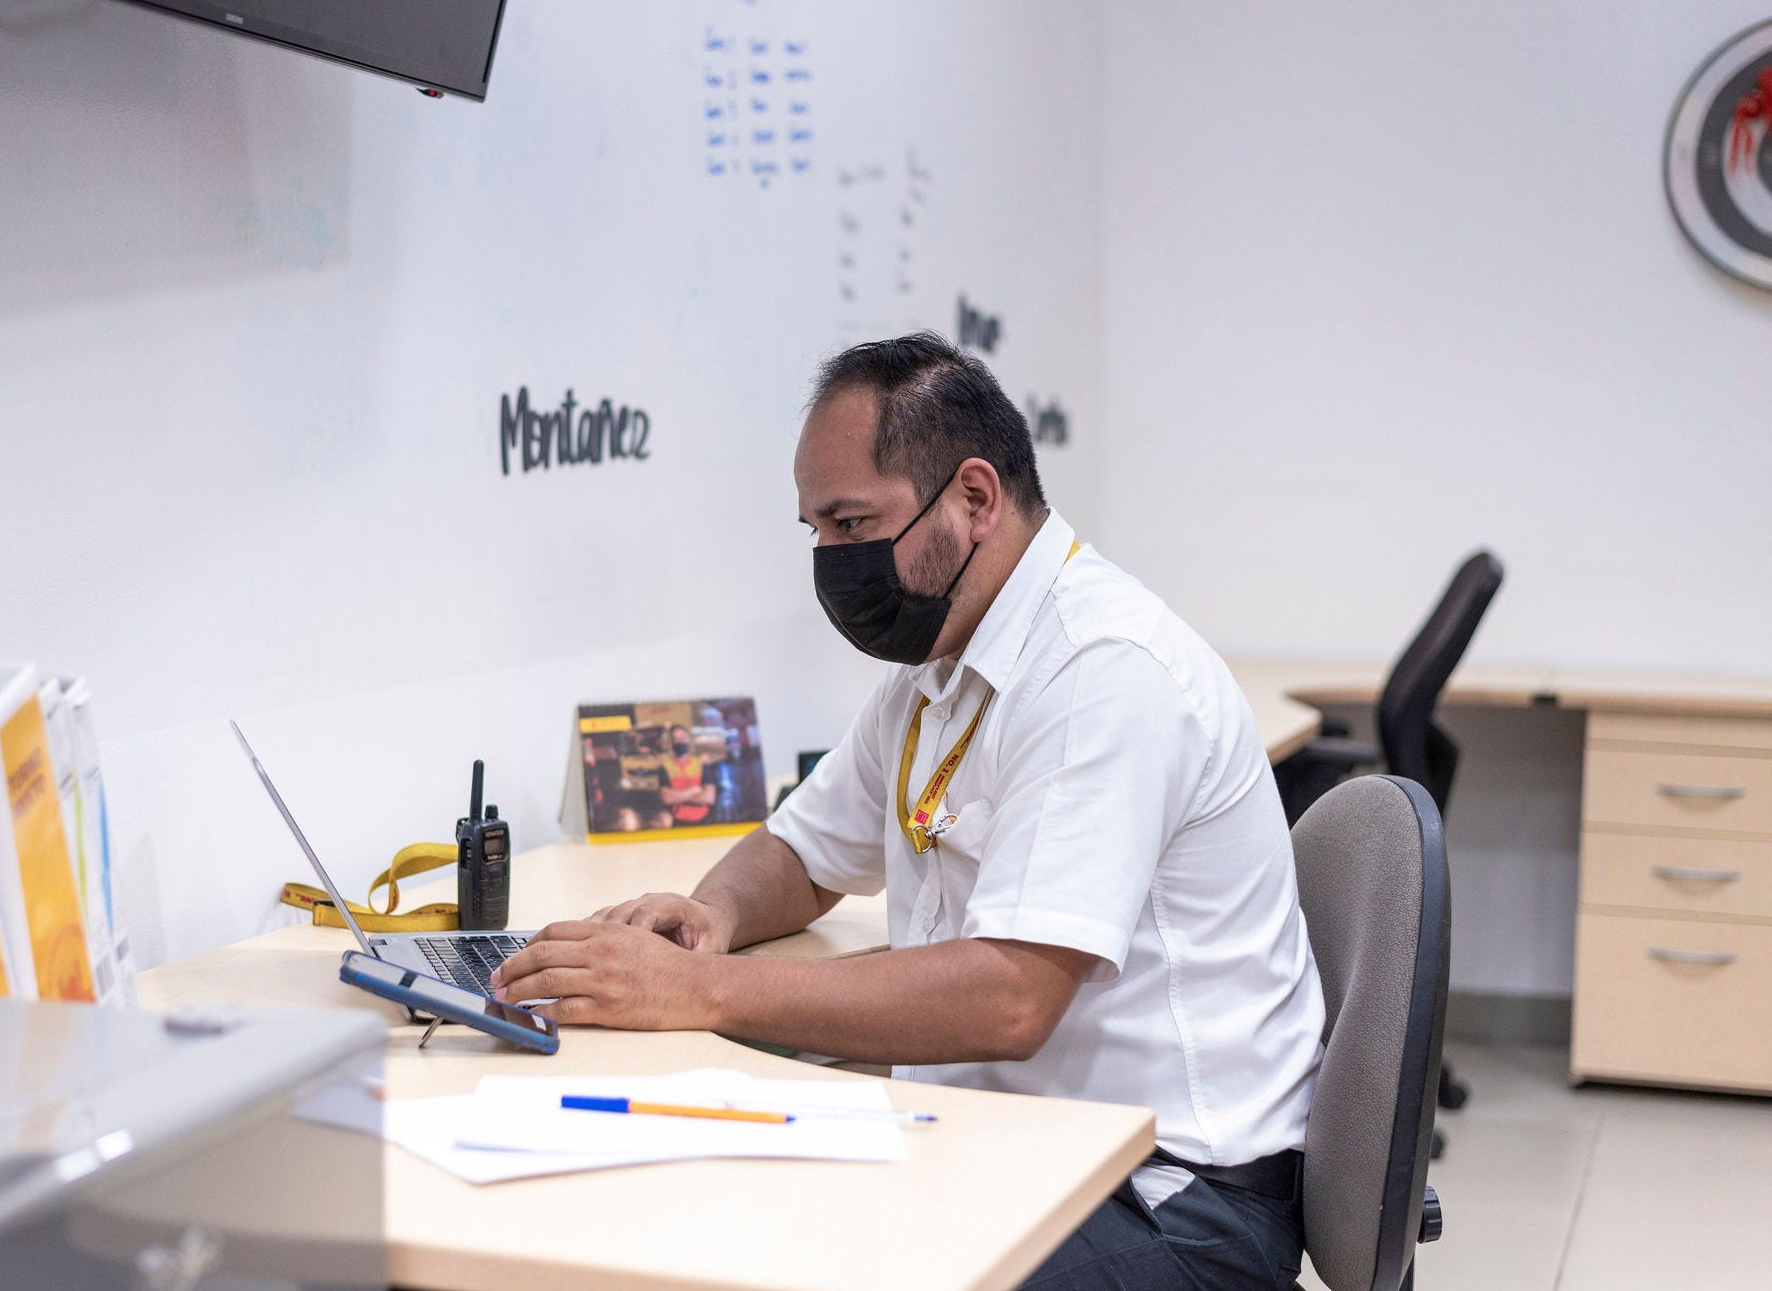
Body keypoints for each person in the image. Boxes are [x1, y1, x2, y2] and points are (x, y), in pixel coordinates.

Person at [493, 333, 1325, 1290]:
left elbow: (1012, 995)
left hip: (1173, 1196)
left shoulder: (1104, 671)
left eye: (852, 524)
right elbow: (804, 853)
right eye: (816, 531)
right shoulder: (939, 666)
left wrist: (698, 991)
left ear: (974, 499)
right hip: (1021, 1140)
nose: (833, 560)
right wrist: (715, 914)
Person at [656, 723, 716, 824]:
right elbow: (667, 799)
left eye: (682, 738)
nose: (680, 742)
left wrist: (677, 797)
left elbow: (709, 798)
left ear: (688, 740)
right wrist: (694, 790)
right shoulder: (665, 767)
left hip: (704, 822)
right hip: (678, 822)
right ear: (671, 742)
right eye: (676, 739)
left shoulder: (701, 764)